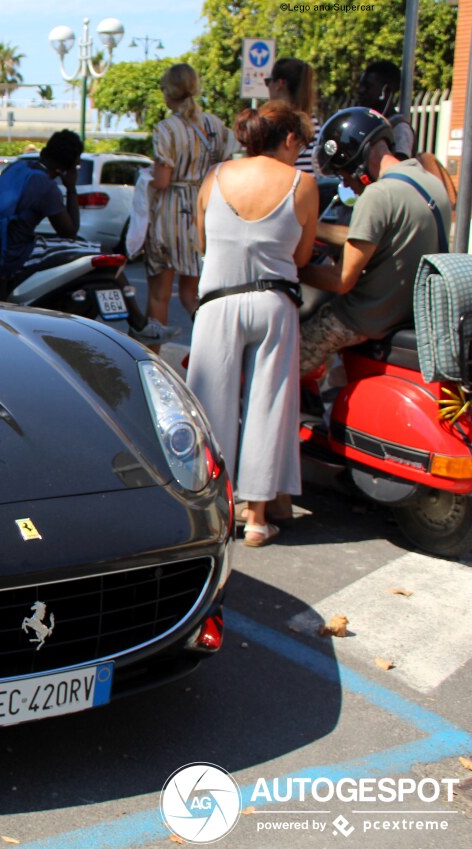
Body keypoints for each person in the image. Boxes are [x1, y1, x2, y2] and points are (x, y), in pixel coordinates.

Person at [188, 102, 319, 547]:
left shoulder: (215, 177)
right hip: (273, 302)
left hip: (218, 303)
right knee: (270, 407)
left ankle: (214, 511)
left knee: (209, 406)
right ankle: (259, 518)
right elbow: (301, 259)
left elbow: (201, 243)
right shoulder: (302, 184)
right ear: (287, 140)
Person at [298, 107, 451, 375]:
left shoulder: (377, 196)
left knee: (281, 362)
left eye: (345, 176)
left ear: (355, 160)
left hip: (363, 318)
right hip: (407, 314)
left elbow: (341, 280)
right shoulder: (430, 183)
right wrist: (316, 230)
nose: (349, 186)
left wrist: (295, 269)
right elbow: (379, 238)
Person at [140, 63, 235, 345]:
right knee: (191, 295)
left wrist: (147, 177)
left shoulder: (166, 129)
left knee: (159, 295)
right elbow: (225, 169)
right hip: (202, 211)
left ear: (169, 92)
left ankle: (152, 363)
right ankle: (217, 346)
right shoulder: (215, 126)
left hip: (171, 214)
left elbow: (162, 180)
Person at [0, 130, 82, 300]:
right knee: (96, 251)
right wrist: (71, 187)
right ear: (68, 165)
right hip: (14, 255)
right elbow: (69, 232)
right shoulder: (46, 186)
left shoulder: (18, 167)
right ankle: (134, 322)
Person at [266, 58, 320, 174]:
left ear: (279, 84)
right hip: (309, 189)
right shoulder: (314, 124)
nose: (268, 87)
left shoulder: (272, 123)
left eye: (268, 81)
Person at [356, 60, 414, 159]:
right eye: (360, 85)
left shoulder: (399, 128)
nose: (360, 91)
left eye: (367, 86)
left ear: (386, 91)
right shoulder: (369, 122)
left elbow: (399, 168)